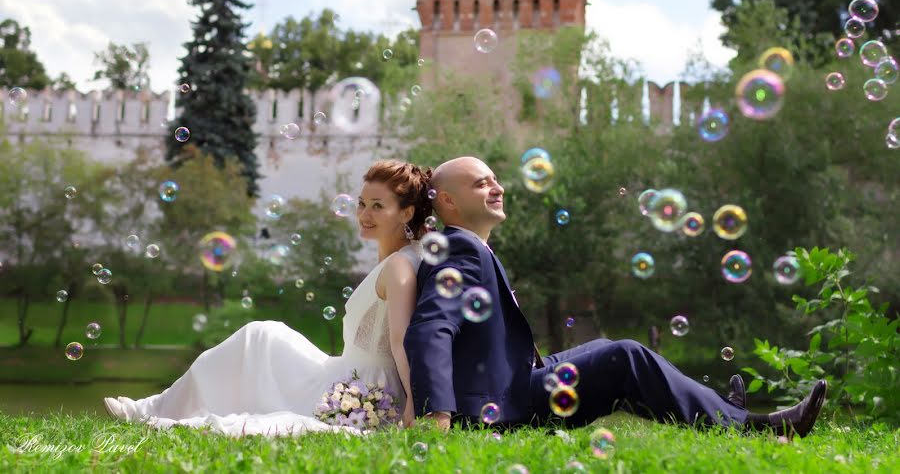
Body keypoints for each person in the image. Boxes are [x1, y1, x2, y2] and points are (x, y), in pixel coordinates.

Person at [403, 156, 827, 437]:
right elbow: (429, 329)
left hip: (512, 378)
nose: (497, 188)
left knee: (604, 347)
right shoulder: (459, 247)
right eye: (482, 184)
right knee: (624, 355)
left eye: (495, 179)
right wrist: (436, 412)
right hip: (500, 404)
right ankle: (757, 426)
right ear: (448, 201)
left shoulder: (468, 245)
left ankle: (716, 409)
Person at [102, 160, 432, 437]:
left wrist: (415, 404)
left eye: (378, 206)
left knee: (272, 396)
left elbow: (403, 339)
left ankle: (155, 414)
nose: (364, 214)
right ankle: (153, 407)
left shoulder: (400, 267)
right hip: (347, 370)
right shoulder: (398, 259)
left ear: (406, 213)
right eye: (362, 203)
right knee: (261, 335)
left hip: (362, 387)